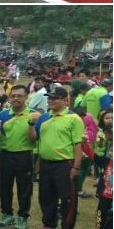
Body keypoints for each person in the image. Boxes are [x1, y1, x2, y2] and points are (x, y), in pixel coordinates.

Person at [28, 87, 84, 229]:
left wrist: (76, 167)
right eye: (49, 98)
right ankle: (49, 224)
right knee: (46, 197)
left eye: (54, 98)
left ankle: (67, 226)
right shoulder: (45, 117)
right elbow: (35, 138)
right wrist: (30, 124)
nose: (50, 100)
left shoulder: (73, 118)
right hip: (46, 164)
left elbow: (78, 144)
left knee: (67, 199)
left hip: (65, 164)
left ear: (65, 100)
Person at [0, 84, 35, 229]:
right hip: (6, 155)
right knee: (4, 186)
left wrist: (31, 124)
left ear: (26, 97)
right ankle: (7, 214)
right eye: (13, 95)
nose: (16, 98)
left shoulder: (33, 114)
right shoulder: (3, 114)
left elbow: (34, 139)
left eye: (19, 96)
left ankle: (23, 216)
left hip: (25, 155)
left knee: (24, 188)